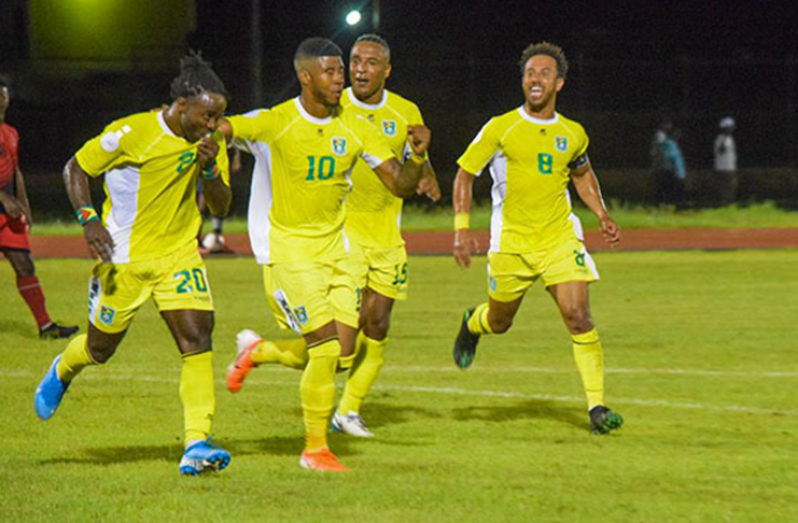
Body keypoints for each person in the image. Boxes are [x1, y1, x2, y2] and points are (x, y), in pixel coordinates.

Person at [221, 37, 430, 472]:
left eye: (343, 70)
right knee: (326, 346)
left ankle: (258, 352)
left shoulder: (356, 127)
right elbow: (225, 127)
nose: (343, 78)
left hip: (337, 250)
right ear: (305, 76)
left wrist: (415, 155)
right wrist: (191, 126)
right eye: (334, 71)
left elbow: (401, 184)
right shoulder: (277, 121)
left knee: (337, 353)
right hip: (290, 253)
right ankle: (315, 449)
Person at [33, 52, 233, 475]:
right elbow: (76, 168)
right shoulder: (132, 132)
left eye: (219, 116)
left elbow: (221, 205)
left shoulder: (208, 144)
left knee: (197, 339)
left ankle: (196, 443)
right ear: (183, 105)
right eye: (208, 115)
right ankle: (64, 368)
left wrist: (211, 168)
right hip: (122, 259)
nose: (214, 124)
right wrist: (88, 221)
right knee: (99, 348)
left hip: (179, 254)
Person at [451, 42, 624, 435]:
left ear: (559, 83)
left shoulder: (572, 133)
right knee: (500, 321)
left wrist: (601, 214)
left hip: (560, 238)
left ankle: (597, 408)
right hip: (511, 244)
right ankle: (471, 324)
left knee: (578, 315)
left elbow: (582, 174)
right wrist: (462, 230)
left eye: (544, 73)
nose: (535, 79)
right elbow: (464, 174)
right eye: (530, 72)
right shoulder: (501, 127)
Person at [330, 34, 441, 438]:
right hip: (342, 234)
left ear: (387, 70)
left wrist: (426, 174)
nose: (359, 69)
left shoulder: (405, 111)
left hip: (387, 236)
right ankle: (263, 353)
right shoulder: (334, 104)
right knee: (343, 339)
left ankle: (348, 411)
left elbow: (415, 157)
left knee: (377, 325)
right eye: (355, 61)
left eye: (370, 62)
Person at [0, 76, 79, 339]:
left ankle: (46, 326)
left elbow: (16, 170)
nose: (2, 99)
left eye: (4, 94)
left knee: (24, 265)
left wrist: (24, 204)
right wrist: (3, 197)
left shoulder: (11, 133)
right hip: (2, 204)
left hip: (8, 213)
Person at [650, 119, 686, 205]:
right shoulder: (666, 141)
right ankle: (666, 203)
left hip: (669, 169)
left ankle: (666, 203)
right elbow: (668, 156)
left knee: (666, 187)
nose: (670, 126)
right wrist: (676, 171)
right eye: (668, 124)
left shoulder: (671, 143)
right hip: (668, 168)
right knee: (667, 187)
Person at [713, 116, 737, 205]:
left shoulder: (730, 138)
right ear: (725, 128)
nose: (732, 129)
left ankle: (728, 202)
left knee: (732, 186)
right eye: (730, 127)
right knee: (725, 186)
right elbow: (720, 151)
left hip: (730, 168)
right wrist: (725, 138)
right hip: (723, 168)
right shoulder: (720, 138)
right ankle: (724, 202)